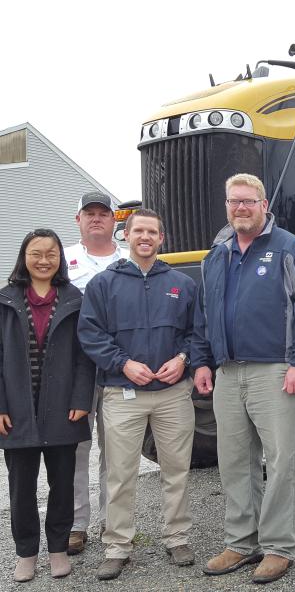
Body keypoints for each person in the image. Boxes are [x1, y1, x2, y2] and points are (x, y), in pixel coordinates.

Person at [192, 173, 295, 584]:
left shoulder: (288, 249)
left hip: (275, 371)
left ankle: (279, 546)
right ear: (226, 206)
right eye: (234, 201)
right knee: (234, 462)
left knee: (281, 460)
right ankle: (241, 543)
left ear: (264, 204)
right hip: (227, 373)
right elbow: (203, 316)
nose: (240, 208)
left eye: (248, 201)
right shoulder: (216, 255)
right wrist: (201, 363)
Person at [77, 209, 199, 581]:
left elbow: (198, 332)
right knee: (119, 472)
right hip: (121, 392)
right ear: (125, 236)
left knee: (177, 469)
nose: (145, 237)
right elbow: (91, 334)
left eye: (152, 232)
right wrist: (123, 363)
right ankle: (116, 546)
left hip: (173, 393)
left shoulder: (182, 283)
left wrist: (182, 359)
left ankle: (177, 536)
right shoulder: (103, 284)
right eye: (138, 231)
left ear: (162, 239)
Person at [0, 229, 95, 582]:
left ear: (60, 259)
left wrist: (81, 399)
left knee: (63, 485)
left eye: (51, 254)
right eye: (36, 253)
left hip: (63, 409)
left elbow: (86, 357)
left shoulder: (75, 299)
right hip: (17, 411)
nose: (43, 260)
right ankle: (26, 553)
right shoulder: (5, 300)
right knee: (21, 488)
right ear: (24, 257)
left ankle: (58, 549)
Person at [64, 191, 128, 556]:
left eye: (103, 213)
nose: (96, 218)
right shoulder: (63, 260)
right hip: (76, 366)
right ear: (78, 220)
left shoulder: (128, 259)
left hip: (118, 365)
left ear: (114, 220)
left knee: (116, 449)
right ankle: (76, 524)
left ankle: (112, 520)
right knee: (76, 447)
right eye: (89, 213)